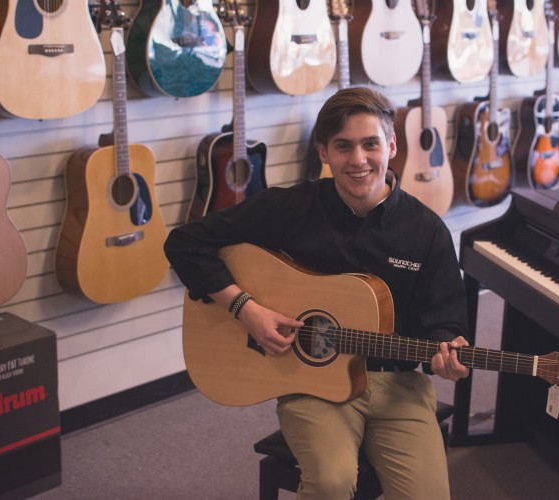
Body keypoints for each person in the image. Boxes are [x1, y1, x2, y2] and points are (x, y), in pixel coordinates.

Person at [164, 87, 470, 499]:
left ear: (392, 145)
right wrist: (245, 308)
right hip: (311, 385)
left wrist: (447, 354)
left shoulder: (426, 230)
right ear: (324, 151)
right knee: (330, 481)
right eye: (343, 146)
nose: (359, 160)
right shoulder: (291, 208)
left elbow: (444, 322)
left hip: (398, 384)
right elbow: (185, 243)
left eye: (370, 144)